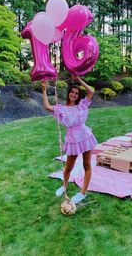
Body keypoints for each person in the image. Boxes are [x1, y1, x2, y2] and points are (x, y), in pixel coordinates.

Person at [42, 76, 97, 204]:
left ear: (79, 96)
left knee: (87, 165)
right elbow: (47, 106)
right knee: (68, 167)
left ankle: (83, 193)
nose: (73, 94)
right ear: (69, 94)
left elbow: (91, 92)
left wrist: (79, 80)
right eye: (72, 92)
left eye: (76, 93)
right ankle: (64, 186)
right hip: (72, 138)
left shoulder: (82, 105)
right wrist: (44, 90)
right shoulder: (62, 109)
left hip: (85, 137)